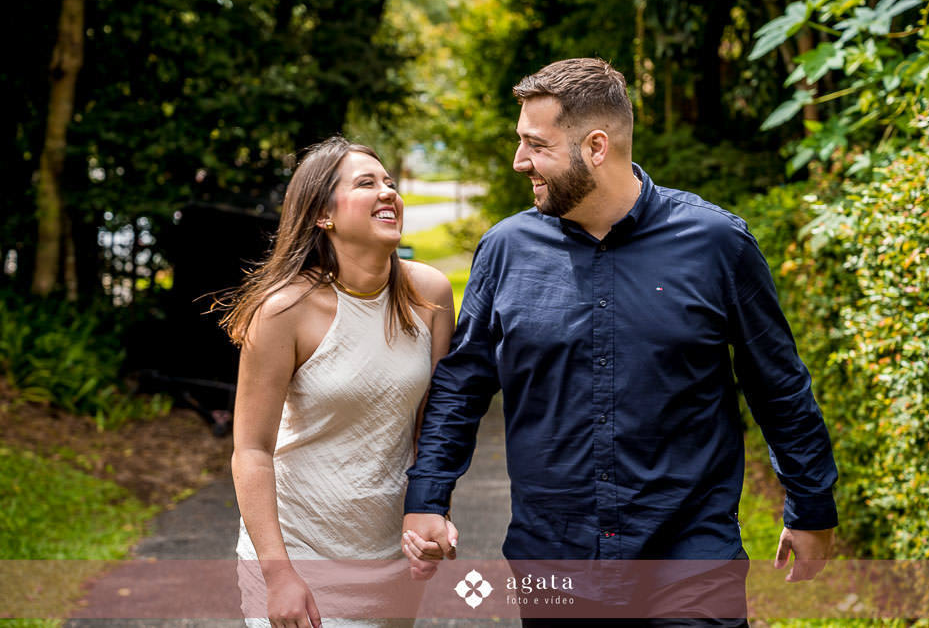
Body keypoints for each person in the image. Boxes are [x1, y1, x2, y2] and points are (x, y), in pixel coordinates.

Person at [400, 58, 839, 625]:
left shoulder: (716, 244)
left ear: (596, 147)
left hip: (689, 555)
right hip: (553, 559)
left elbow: (777, 385)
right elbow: (461, 385)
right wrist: (427, 499)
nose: (519, 161)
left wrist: (811, 507)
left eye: (536, 145)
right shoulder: (505, 250)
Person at [223, 136, 456, 628]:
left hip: (391, 557)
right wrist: (278, 573)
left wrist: (431, 515)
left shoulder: (429, 294)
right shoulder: (284, 310)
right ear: (322, 215)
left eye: (390, 183)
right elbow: (251, 450)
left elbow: (432, 429)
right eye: (367, 183)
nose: (388, 192)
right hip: (300, 553)